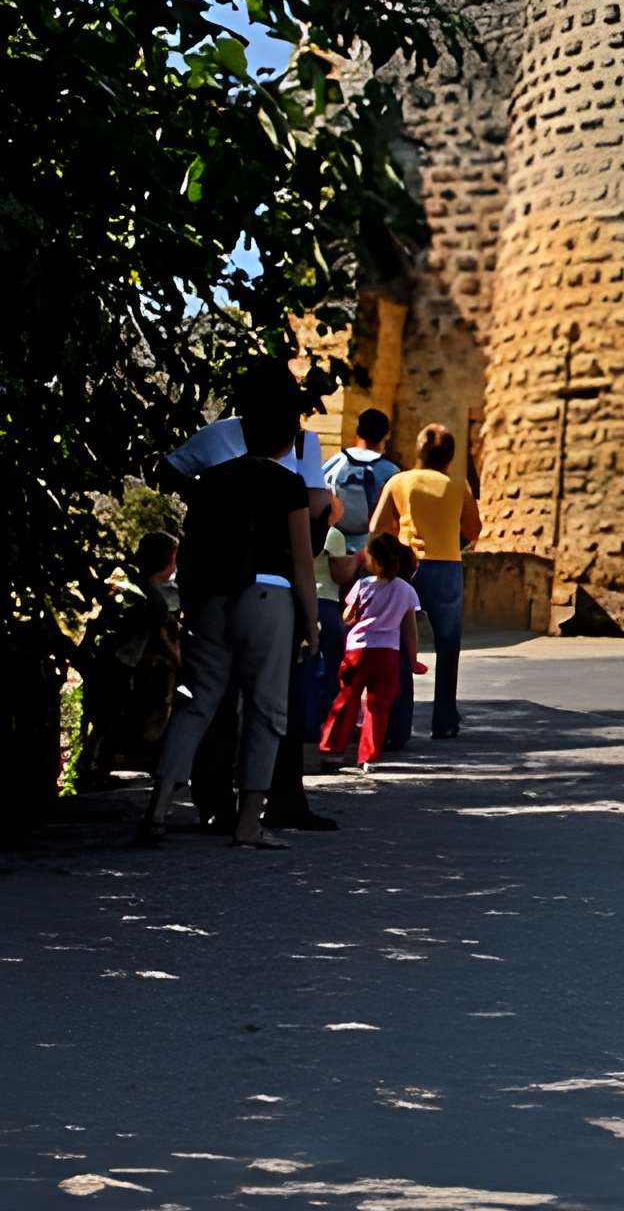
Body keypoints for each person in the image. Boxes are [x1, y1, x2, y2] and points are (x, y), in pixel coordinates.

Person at [140, 364, 317, 849]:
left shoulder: (211, 483)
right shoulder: (287, 485)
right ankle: (248, 823)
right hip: (269, 597)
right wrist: (313, 623)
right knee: (265, 710)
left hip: (212, 598)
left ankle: (156, 808)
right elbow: (302, 562)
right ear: (286, 437)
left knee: (197, 702)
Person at [368, 424, 480, 741]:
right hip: (446, 567)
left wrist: (400, 537)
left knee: (399, 642)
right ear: (450, 456)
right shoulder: (458, 486)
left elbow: (377, 525)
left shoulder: (399, 481)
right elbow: (474, 530)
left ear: (418, 451)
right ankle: (444, 719)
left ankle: (397, 722)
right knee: (448, 645)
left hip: (406, 566)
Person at [314, 413, 401, 769]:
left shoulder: (335, 463)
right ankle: (381, 733)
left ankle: (331, 722)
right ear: (386, 435)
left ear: (356, 432)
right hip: (374, 555)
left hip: (336, 556)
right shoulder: (391, 471)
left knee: (339, 640)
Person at [77, 531, 184, 782]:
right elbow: (164, 634)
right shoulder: (154, 597)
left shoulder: (130, 585)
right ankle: (95, 767)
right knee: (110, 715)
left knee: (102, 716)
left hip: (107, 658)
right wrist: (180, 660)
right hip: (120, 661)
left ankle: (90, 765)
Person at [318, 534, 425, 771]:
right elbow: (409, 629)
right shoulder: (406, 590)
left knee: (346, 699)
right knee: (378, 706)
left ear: (375, 562)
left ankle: (332, 751)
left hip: (358, 649)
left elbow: (347, 616)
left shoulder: (362, 585)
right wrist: (413, 657)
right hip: (387, 652)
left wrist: (352, 618)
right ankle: (368, 756)